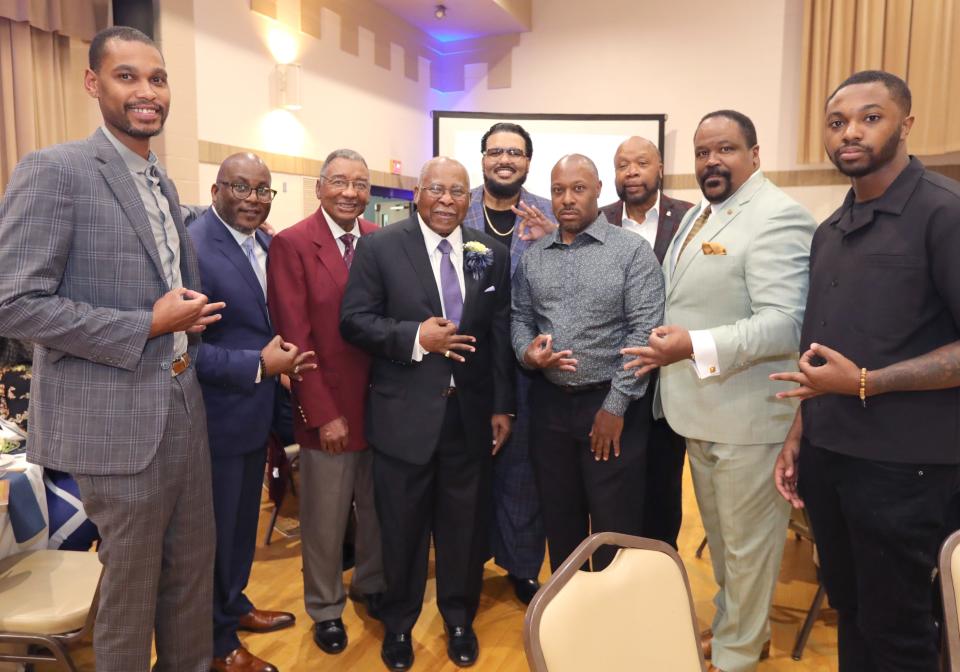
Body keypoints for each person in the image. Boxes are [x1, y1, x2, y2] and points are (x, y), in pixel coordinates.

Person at [0, 26, 223, 671]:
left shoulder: (162, 181)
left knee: (189, 585)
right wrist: (145, 324)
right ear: (94, 84)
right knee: (127, 599)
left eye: (156, 78)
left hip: (183, 408)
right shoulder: (55, 171)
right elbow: (14, 303)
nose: (146, 92)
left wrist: (185, 321)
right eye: (127, 77)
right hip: (111, 424)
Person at [772, 70, 960, 672]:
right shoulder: (831, 230)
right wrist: (799, 432)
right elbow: (818, 352)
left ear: (906, 124)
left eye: (870, 117)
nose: (850, 131)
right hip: (831, 456)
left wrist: (867, 383)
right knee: (850, 611)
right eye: (837, 122)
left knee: (900, 630)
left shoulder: (943, 213)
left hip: (907, 467)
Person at [623, 111, 816, 672]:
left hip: (749, 420)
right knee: (729, 547)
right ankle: (742, 633)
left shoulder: (778, 217)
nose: (711, 161)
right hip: (703, 413)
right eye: (703, 152)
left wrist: (694, 345)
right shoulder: (702, 216)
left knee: (748, 550)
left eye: (725, 149)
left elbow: (785, 322)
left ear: (755, 155)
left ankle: (735, 656)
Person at [340, 157, 514, 670]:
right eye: (436, 189)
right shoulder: (379, 248)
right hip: (404, 420)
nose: (446, 200)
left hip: (471, 418)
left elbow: (499, 331)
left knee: (464, 528)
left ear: (470, 199)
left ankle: (458, 619)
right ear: (418, 193)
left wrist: (503, 405)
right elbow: (354, 322)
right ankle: (398, 625)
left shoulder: (491, 253)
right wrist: (416, 337)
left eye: (457, 192)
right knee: (402, 529)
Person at [190, 152, 313, 672]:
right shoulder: (195, 247)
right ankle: (216, 644)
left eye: (263, 190)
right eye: (241, 188)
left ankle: (234, 605)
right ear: (217, 188)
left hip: (256, 412)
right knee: (216, 535)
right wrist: (259, 364)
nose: (254, 199)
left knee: (241, 525)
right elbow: (184, 351)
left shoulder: (266, 242)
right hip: (215, 418)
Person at [512, 154, 664, 572]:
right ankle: (571, 614)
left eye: (578, 189)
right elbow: (520, 317)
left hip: (612, 409)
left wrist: (615, 407)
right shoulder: (535, 256)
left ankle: (614, 623)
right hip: (549, 407)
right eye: (558, 190)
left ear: (599, 190)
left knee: (615, 525)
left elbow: (643, 333)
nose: (567, 199)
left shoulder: (631, 252)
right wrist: (527, 351)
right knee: (560, 522)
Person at [267, 148, 386, 657]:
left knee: (380, 510)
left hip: (383, 407)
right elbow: (295, 337)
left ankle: (372, 585)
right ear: (319, 187)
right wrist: (322, 412)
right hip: (328, 409)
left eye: (360, 184)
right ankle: (326, 607)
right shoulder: (292, 245)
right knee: (324, 518)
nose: (349, 192)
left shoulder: (382, 242)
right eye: (339, 181)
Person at [462, 122, 554, 603]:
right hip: (468, 363)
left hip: (529, 365)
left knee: (523, 473)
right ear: (482, 158)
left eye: (514, 153)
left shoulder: (550, 214)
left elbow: (572, 274)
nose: (505, 160)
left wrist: (551, 238)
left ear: (527, 162)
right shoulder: (458, 209)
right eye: (496, 151)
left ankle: (520, 565)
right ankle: (467, 562)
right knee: (470, 471)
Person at [599, 135, 693, 548]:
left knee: (662, 488)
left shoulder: (692, 219)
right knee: (613, 491)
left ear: (659, 169)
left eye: (641, 163)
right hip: (608, 379)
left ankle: (659, 576)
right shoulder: (597, 221)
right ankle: (615, 573)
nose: (631, 172)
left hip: (667, 381)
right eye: (623, 165)